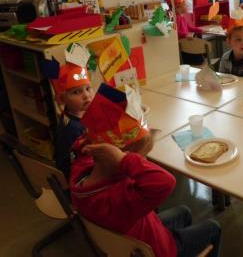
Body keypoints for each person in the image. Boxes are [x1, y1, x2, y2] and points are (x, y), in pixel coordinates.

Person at [70, 86, 221, 257]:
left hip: (134, 230)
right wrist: (125, 161)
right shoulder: (119, 197)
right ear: (117, 160)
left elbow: (81, 144)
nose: (142, 163)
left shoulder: (80, 171)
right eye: (141, 159)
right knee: (213, 228)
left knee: (184, 212)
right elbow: (165, 182)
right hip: (157, 250)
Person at [51, 62, 93, 178]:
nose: (86, 95)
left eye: (88, 88)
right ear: (62, 99)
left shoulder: (77, 113)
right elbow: (68, 164)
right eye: (76, 92)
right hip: (79, 178)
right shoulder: (72, 128)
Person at [165, 0, 204, 65]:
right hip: (182, 45)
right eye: (181, 5)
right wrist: (185, 35)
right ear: (176, 6)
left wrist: (200, 30)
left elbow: (189, 28)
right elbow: (175, 31)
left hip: (187, 42)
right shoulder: (173, 18)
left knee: (198, 54)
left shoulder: (181, 16)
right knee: (197, 55)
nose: (184, 6)